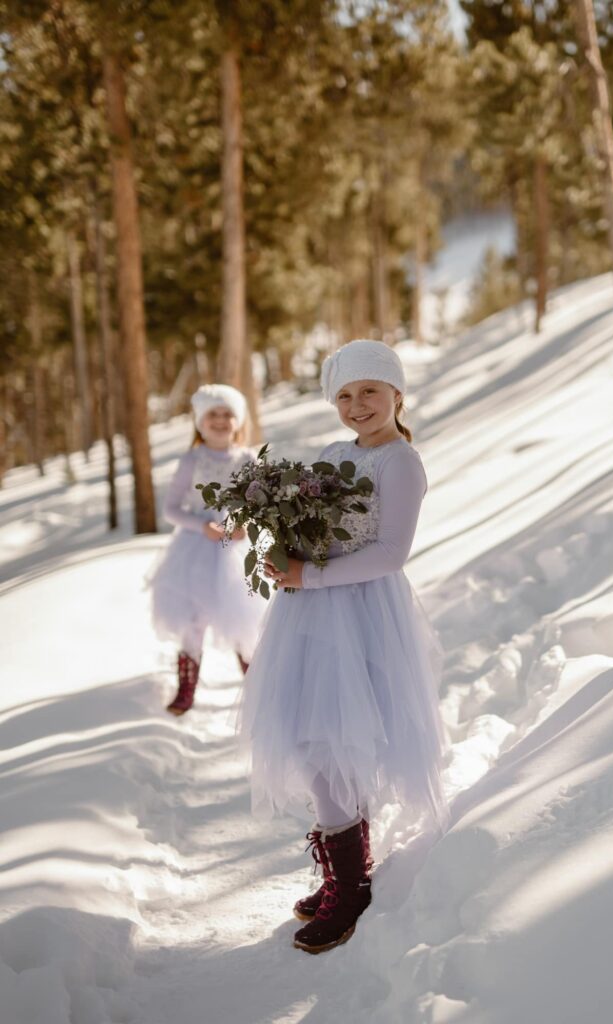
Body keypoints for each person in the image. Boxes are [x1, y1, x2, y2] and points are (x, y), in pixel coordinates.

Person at [239, 339, 447, 954]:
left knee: (336, 735)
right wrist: (287, 550)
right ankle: (344, 861)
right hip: (310, 615)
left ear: (396, 395)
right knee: (313, 734)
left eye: (370, 392)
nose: (358, 405)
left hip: (362, 614)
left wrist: (313, 575)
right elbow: (313, 524)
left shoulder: (400, 463)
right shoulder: (333, 453)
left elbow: (390, 552)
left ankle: (350, 885)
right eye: (346, 395)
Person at [149, 384, 265, 715]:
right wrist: (202, 526)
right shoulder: (192, 459)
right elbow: (171, 509)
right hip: (196, 549)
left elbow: (260, 505)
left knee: (243, 617)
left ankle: (257, 687)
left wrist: (247, 525)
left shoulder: (247, 459)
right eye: (212, 414)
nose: (220, 420)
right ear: (200, 421)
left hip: (236, 551)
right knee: (193, 618)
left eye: (227, 414)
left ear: (238, 420)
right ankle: (186, 688)